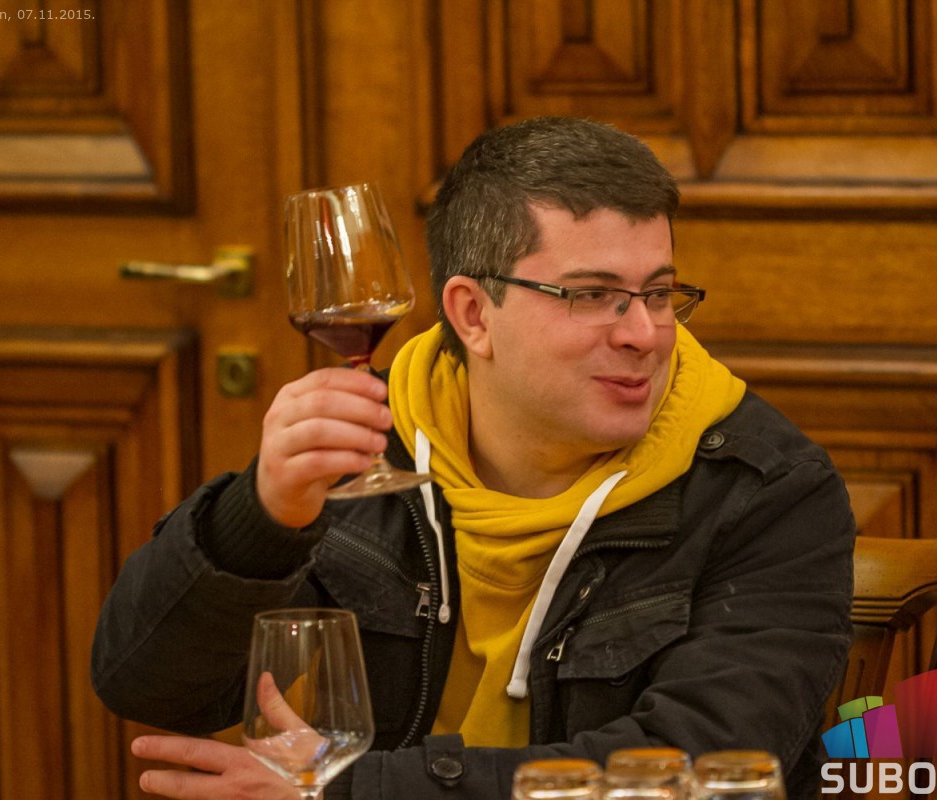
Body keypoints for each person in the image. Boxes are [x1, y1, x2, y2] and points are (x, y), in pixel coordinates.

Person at [91, 116, 855, 800]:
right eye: (592, 295)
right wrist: (260, 519)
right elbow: (149, 688)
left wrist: (344, 791)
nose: (644, 334)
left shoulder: (768, 491)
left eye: (657, 293)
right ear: (472, 314)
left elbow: (699, 771)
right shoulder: (372, 444)